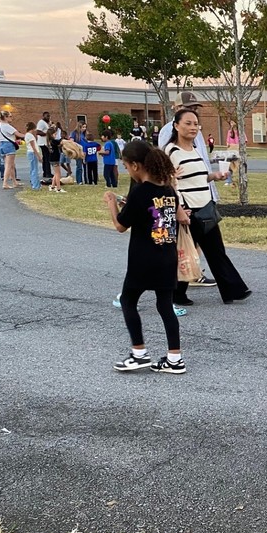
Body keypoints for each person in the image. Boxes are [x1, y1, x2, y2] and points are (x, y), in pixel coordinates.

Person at [105, 140, 189, 375]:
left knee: (128, 301)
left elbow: (121, 225)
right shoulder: (168, 190)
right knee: (164, 306)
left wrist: (112, 203)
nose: (126, 170)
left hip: (144, 259)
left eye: (125, 165)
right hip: (167, 256)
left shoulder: (140, 192)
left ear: (135, 165)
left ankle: (138, 353)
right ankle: (175, 358)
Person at [165, 107, 250, 306]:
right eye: (188, 123)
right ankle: (175, 293)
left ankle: (233, 290)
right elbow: (168, 182)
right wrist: (179, 210)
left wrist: (214, 176)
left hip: (205, 207)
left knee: (216, 251)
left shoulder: (194, 149)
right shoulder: (171, 151)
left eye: (196, 124)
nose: (193, 127)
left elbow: (199, 177)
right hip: (188, 211)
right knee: (186, 253)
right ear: (176, 126)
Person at [0, 110, 20, 189]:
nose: (11, 118)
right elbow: (18, 134)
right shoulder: (7, 126)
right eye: (10, 116)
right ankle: (5, 183)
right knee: (8, 165)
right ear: (5, 117)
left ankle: (14, 181)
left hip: (1, 144)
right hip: (8, 145)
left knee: (11, 164)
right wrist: (28, 135)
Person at [22, 122, 42, 191]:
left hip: (30, 152)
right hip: (33, 153)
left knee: (32, 169)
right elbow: (33, 147)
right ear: (33, 128)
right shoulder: (30, 136)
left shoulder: (27, 135)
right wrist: (39, 156)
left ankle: (34, 183)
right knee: (35, 169)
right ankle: (36, 185)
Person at [36, 111, 52, 183]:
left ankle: (46, 172)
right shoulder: (41, 122)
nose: (48, 117)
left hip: (46, 142)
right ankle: (47, 173)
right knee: (47, 158)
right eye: (46, 116)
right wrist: (46, 133)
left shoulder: (46, 123)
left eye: (49, 116)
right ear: (43, 116)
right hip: (43, 143)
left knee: (46, 158)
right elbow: (38, 132)